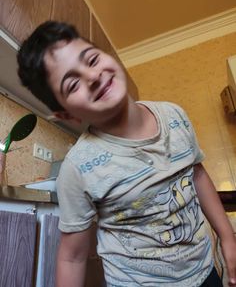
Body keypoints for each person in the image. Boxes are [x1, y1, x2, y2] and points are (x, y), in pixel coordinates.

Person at [17, 20, 236, 287]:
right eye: (73, 85)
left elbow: (198, 175)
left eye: (92, 59)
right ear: (68, 115)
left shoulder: (174, 115)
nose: (93, 76)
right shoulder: (78, 168)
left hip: (202, 271)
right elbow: (72, 257)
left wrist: (226, 236)